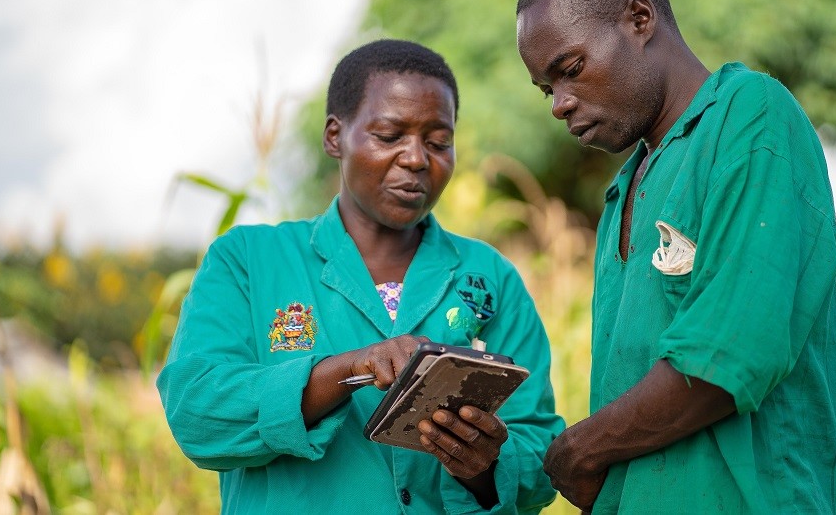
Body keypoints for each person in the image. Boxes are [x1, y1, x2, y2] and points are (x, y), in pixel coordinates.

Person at [515, 0, 836, 513]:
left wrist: (583, 449)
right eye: (548, 90)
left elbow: (730, 353)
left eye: (570, 70)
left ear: (639, 19)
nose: (559, 104)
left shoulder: (750, 116)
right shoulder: (623, 190)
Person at [157, 39, 564, 513]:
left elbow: (540, 456)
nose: (416, 158)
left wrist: (484, 465)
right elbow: (197, 413)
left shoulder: (489, 277)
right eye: (389, 136)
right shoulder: (247, 260)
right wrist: (349, 369)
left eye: (438, 142)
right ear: (335, 137)